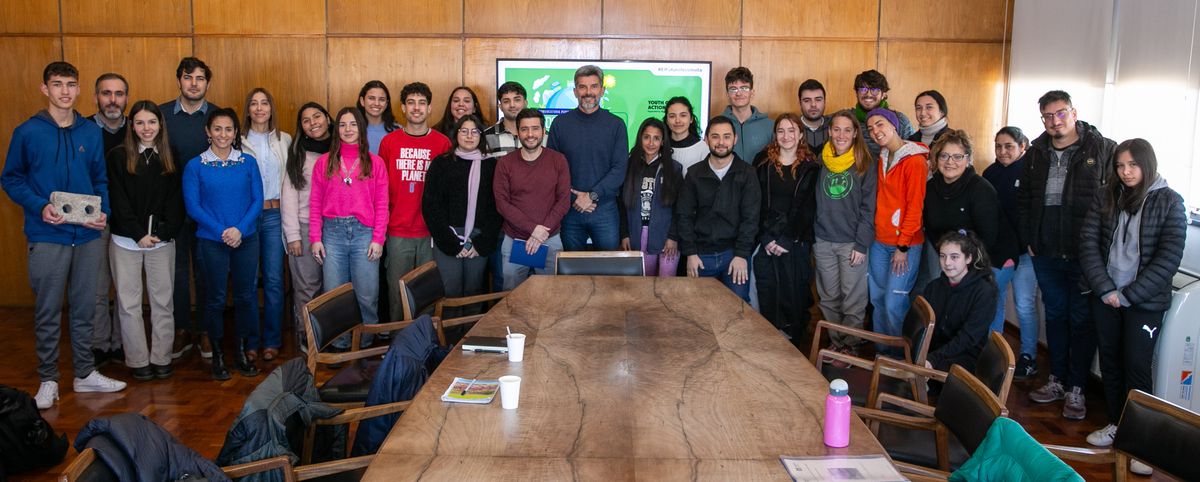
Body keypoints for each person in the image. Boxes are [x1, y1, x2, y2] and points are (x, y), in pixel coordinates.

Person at [1, 61, 127, 409]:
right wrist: (40, 205)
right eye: (57, 84)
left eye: (71, 84)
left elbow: (100, 179)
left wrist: (104, 212)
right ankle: (48, 379)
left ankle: (85, 373)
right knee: (47, 309)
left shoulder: (89, 131)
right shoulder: (27, 132)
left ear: (79, 88)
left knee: (86, 307)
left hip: (86, 236)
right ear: (45, 89)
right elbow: (11, 179)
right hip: (47, 234)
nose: (65, 91)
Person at [1080, 139, 1186, 463]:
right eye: (1120, 166)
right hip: (1106, 295)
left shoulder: (1170, 201)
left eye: (1132, 165)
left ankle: (1142, 443)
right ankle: (1116, 423)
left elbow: (1169, 258)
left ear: (1147, 164)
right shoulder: (1105, 195)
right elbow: (1088, 244)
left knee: (1137, 366)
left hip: (1144, 302)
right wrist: (1107, 290)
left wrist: (1129, 295)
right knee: (1110, 362)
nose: (1125, 172)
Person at [1020, 90, 1115, 420]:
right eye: (1047, 116)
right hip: (1045, 252)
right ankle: (1057, 380)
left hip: (1084, 255)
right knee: (1056, 318)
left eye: (1060, 114)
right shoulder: (1035, 152)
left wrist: (1100, 249)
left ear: (1073, 113)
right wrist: (1030, 239)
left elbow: (1112, 204)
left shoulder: (1102, 148)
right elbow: (1027, 199)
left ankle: (1077, 388)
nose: (1054, 121)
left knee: (1081, 320)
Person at [183, 107, 263, 380]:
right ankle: (217, 355)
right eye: (217, 129)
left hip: (246, 239)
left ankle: (241, 351)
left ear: (235, 132)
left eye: (229, 129)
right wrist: (222, 231)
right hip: (211, 241)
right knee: (215, 299)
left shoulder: (247, 163)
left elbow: (257, 201)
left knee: (245, 297)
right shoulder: (195, 166)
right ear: (208, 132)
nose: (223, 134)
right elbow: (193, 207)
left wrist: (239, 229)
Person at [106, 100, 184, 381]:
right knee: (129, 304)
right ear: (132, 126)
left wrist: (163, 233)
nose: (146, 128)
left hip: (161, 242)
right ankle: (138, 360)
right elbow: (118, 199)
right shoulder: (117, 156)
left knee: (163, 301)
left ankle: (161, 358)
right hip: (126, 241)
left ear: (160, 125)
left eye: (151, 122)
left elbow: (176, 200)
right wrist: (138, 233)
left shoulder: (170, 154)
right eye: (140, 122)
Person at [309, 108, 389, 349]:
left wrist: (378, 238)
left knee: (367, 294)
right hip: (332, 234)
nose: (348, 129)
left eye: (353, 124)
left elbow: (382, 203)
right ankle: (341, 343)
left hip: (365, 233)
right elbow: (315, 202)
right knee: (335, 295)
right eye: (342, 125)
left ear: (361, 128)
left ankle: (364, 344)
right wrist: (315, 237)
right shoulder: (324, 162)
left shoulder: (375, 162)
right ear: (337, 129)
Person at [161, 57, 219, 361]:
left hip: (210, 211)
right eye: (188, 77)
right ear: (179, 80)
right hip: (171, 208)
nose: (194, 83)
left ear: (207, 83)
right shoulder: (160, 116)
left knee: (206, 271)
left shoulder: (217, 117)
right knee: (177, 272)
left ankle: (206, 331)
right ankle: (181, 329)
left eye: (200, 78)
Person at [380, 82, 451, 322]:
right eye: (411, 103)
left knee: (427, 294)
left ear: (430, 108)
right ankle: (398, 346)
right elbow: (380, 188)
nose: (417, 108)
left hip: (430, 232)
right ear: (403, 108)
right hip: (398, 230)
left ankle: (425, 344)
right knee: (397, 293)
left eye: (422, 103)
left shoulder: (442, 144)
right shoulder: (389, 143)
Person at [675, 116, 760, 302]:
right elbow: (684, 216)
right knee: (698, 311)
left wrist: (741, 255)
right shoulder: (694, 173)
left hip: (734, 255)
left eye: (727, 136)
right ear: (706, 140)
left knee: (738, 311)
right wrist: (690, 253)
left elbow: (751, 218)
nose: (721, 142)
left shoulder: (748, 173)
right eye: (715, 136)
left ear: (735, 139)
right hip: (700, 255)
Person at [422, 114, 501, 313]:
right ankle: (450, 341)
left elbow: (497, 207)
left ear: (481, 136)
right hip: (448, 237)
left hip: (478, 238)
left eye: (474, 131)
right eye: (463, 131)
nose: (469, 135)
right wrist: (450, 242)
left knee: (475, 291)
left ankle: (471, 341)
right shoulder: (441, 163)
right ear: (455, 134)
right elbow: (431, 206)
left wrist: (482, 243)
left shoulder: (492, 165)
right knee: (450, 292)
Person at [813, 110, 876, 357]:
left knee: (853, 299)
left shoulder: (864, 164)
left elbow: (869, 208)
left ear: (855, 133)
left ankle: (850, 346)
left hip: (852, 242)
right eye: (836, 129)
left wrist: (861, 245)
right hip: (824, 240)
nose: (841, 135)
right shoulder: (821, 160)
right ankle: (836, 342)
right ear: (829, 132)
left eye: (847, 130)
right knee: (828, 298)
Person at [547, 65, 627, 251]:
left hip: (605, 209)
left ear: (602, 90)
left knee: (607, 271)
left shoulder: (616, 125)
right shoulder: (560, 124)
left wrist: (592, 196)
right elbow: (552, 168)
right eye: (582, 87)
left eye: (593, 86)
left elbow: (620, 168)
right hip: (569, 209)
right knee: (571, 271)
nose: (588, 92)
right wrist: (573, 199)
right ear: (575, 91)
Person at [753, 113, 819, 340]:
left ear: (801, 134)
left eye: (792, 130)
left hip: (795, 243)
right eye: (781, 131)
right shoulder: (763, 163)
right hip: (767, 241)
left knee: (794, 297)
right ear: (775, 135)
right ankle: (770, 345)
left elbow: (806, 208)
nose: (786, 136)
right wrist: (766, 238)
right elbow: (756, 203)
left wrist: (786, 239)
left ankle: (795, 349)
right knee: (768, 294)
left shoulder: (811, 167)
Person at [865, 108, 928, 346]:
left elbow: (915, 207)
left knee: (895, 302)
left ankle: (902, 356)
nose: (875, 132)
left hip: (905, 245)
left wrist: (903, 247)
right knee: (879, 299)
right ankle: (885, 353)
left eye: (880, 125)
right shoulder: (882, 157)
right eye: (871, 128)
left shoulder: (914, 161)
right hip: (879, 242)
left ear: (893, 125)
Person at [982, 126, 1040, 379]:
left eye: (1009, 146)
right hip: (997, 252)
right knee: (994, 302)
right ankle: (995, 353)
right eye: (998, 146)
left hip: (1024, 253)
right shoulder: (990, 173)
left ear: (1022, 147)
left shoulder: (1032, 172)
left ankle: (1028, 356)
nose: (1003, 151)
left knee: (1025, 304)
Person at [240, 87, 291, 362]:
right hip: (247, 216)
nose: (259, 108)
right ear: (247, 109)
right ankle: (250, 340)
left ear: (271, 108)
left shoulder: (285, 140)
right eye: (254, 103)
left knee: (273, 280)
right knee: (247, 282)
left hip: (274, 215)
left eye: (264, 103)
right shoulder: (236, 141)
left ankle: (272, 340)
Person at [922, 130, 1001, 308]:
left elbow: (988, 236)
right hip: (942, 256)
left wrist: (964, 263)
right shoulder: (930, 187)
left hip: (975, 260)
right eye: (944, 156)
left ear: (968, 159)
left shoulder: (981, 189)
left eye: (957, 156)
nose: (950, 162)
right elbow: (930, 227)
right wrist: (946, 257)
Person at [494, 108, 571, 289]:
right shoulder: (505, 163)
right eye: (524, 129)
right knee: (512, 297)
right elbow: (502, 204)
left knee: (550, 295)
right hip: (515, 240)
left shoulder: (558, 160)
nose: (530, 134)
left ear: (544, 131)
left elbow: (563, 200)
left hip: (549, 239)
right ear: (518, 132)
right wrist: (533, 229)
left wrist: (541, 232)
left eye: (535, 129)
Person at [282, 102, 332, 350]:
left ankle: (332, 335)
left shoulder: (342, 148)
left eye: (317, 116)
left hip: (335, 228)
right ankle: (307, 336)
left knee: (333, 287)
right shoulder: (298, 153)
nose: (313, 123)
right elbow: (289, 196)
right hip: (303, 227)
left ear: (328, 118)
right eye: (306, 120)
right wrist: (293, 236)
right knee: (307, 286)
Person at [90, 72, 129, 367]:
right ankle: (100, 345)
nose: (113, 100)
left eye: (118, 93)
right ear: (96, 97)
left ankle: (121, 343)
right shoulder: (85, 130)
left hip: (128, 221)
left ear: (126, 98)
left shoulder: (136, 128)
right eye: (106, 93)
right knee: (98, 286)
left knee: (126, 288)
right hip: (96, 219)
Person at [923, 230, 999, 373]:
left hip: (965, 355)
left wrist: (933, 358)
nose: (947, 263)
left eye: (954, 257)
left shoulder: (984, 292)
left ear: (968, 258)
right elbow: (922, 325)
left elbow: (968, 338)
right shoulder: (934, 287)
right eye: (942, 256)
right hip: (936, 351)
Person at [618, 118, 683, 276]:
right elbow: (621, 204)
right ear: (640, 139)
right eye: (646, 137)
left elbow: (680, 207)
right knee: (644, 285)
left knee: (665, 285)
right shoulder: (629, 166)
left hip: (666, 234)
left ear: (663, 141)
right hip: (637, 233)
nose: (651, 143)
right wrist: (624, 234)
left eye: (656, 138)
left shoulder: (673, 168)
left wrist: (673, 237)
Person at [853, 70, 914, 159]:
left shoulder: (900, 120)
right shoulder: (848, 119)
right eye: (863, 89)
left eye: (875, 90)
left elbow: (911, 152)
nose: (868, 94)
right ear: (857, 93)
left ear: (883, 94)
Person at [719, 67, 772, 162]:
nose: (739, 93)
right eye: (733, 89)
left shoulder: (770, 126)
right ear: (727, 94)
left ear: (752, 93)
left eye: (744, 88)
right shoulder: (717, 125)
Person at [663, 96, 708, 175]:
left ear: (691, 119)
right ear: (666, 120)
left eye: (683, 115)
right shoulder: (660, 146)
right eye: (672, 116)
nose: (677, 120)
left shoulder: (703, 148)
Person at [483, 81, 526, 158]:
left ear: (525, 103)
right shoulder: (486, 136)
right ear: (500, 106)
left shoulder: (542, 135)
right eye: (506, 101)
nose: (512, 105)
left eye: (517, 100)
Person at [356, 80, 399, 155]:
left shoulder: (397, 131)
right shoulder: (352, 129)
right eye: (371, 98)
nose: (376, 103)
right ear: (362, 101)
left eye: (382, 99)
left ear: (386, 104)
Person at [797, 79, 830, 154]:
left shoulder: (835, 126)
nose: (813, 105)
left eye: (818, 100)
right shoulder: (791, 129)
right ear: (800, 103)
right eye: (807, 100)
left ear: (825, 101)